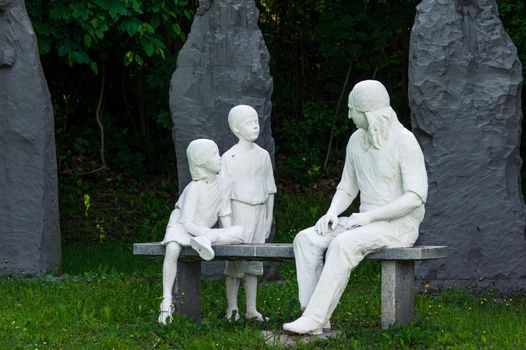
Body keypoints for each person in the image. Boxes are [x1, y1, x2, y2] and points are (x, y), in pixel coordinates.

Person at [283, 80, 428, 335]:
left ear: (369, 113)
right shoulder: (355, 141)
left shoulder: (405, 142)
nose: (349, 115)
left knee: (343, 244)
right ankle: (314, 316)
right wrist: (332, 213)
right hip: (363, 221)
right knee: (305, 239)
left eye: (353, 110)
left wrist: (369, 216)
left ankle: (314, 317)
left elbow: (415, 197)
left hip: (398, 226)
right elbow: (348, 186)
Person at [158, 139, 244, 325]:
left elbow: (225, 217)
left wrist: (226, 233)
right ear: (200, 163)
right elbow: (187, 223)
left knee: (240, 232)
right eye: (214, 155)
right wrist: (207, 232)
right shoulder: (194, 188)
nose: (220, 158)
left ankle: (207, 239)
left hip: (205, 233)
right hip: (183, 226)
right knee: (173, 248)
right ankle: (166, 300)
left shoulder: (223, 184)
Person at [221, 105, 276, 321]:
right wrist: (227, 225)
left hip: (259, 212)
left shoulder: (263, 156)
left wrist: (269, 216)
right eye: (248, 123)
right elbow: (223, 192)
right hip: (238, 211)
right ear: (236, 128)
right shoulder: (229, 157)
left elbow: (270, 188)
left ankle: (251, 308)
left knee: (254, 261)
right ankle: (232, 307)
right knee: (236, 261)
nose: (255, 125)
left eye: (256, 121)